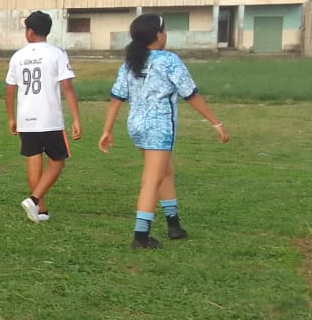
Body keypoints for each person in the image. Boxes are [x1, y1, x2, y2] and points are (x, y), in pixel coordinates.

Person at [98, 13, 230, 249]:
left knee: (165, 171)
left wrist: (107, 131)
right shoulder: (169, 60)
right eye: (164, 30)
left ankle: (173, 225)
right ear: (158, 35)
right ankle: (141, 236)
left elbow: (116, 99)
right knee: (152, 180)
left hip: (136, 126)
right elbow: (191, 94)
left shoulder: (131, 61)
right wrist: (216, 123)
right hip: (159, 128)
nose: (166, 35)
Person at [4, 11, 82, 223]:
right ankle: (35, 200)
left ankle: (41, 210)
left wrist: (11, 118)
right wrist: (76, 118)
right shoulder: (57, 54)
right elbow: (67, 87)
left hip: (26, 119)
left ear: (30, 32)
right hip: (49, 119)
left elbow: (10, 90)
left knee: (34, 160)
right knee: (58, 161)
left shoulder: (18, 56)